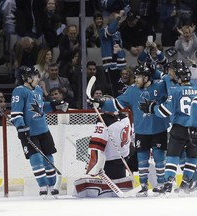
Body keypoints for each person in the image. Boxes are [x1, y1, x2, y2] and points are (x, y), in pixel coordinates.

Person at [91, 63, 169, 197]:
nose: (136, 79)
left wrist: (154, 70)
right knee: (142, 159)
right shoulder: (132, 90)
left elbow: (170, 79)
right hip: (141, 130)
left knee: (159, 158)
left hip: (159, 129)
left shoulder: (160, 85)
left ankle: (161, 184)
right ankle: (143, 186)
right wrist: (101, 103)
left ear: (146, 77)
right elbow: (116, 104)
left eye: (139, 77)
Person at [10, 66, 68, 197]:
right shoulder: (19, 91)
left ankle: (53, 185)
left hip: (44, 130)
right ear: (27, 78)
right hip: (29, 132)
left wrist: (54, 105)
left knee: (49, 158)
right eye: (35, 76)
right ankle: (42, 186)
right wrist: (21, 128)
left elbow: (40, 107)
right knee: (36, 159)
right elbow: (16, 113)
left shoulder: (38, 90)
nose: (38, 78)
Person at [139, 65, 197, 194]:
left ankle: (168, 183)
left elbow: (165, 111)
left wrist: (152, 108)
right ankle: (186, 183)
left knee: (173, 155)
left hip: (180, 128)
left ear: (179, 78)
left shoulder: (176, 91)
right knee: (193, 156)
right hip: (195, 127)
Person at [74, 95, 134, 198]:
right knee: (114, 193)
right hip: (123, 159)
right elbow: (130, 137)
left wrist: (91, 168)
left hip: (110, 163)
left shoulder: (103, 120)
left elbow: (96, 146)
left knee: (109, 195)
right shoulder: (125, 117)